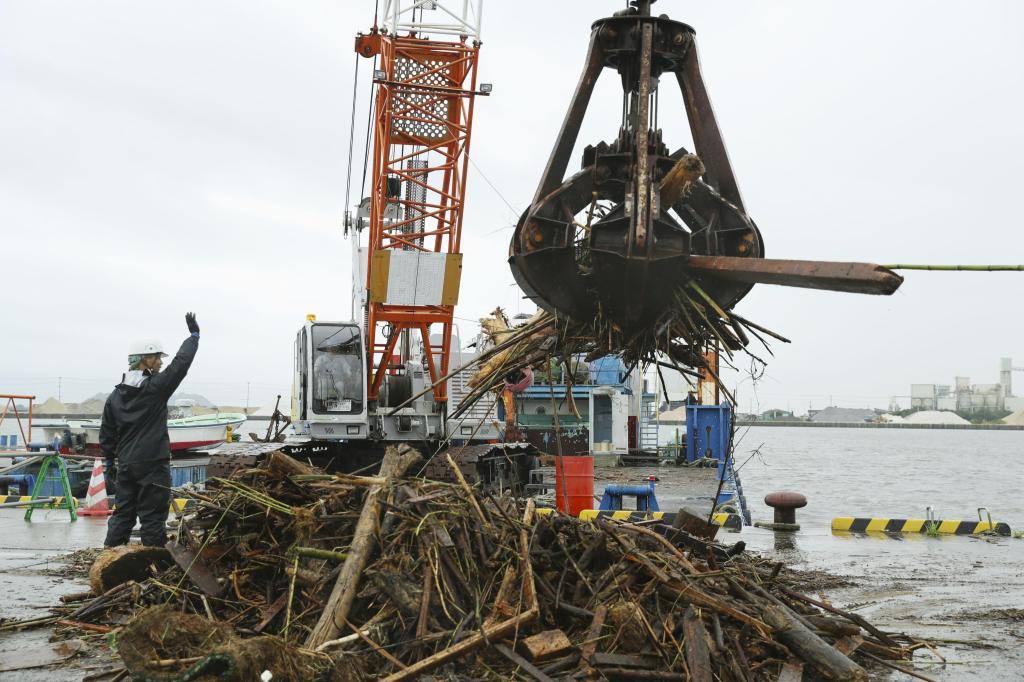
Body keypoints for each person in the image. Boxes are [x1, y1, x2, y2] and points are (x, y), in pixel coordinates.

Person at [100, 313, 200, 547]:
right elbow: (180, 365)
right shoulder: (155, 388)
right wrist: (193, 338)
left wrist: (109, 462)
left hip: (126, 465)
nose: (161, 362)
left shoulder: (114, 397)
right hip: (153, 464)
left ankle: (108, 557)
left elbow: (106, 435)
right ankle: (153, 566)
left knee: (123, 515)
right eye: (157, 358)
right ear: (145, 359)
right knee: (153, 518)